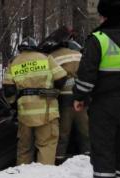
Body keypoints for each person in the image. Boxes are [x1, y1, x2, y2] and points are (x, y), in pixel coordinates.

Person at [73, 0, 120, 178]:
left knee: (103, 152)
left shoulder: (99, 39)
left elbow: (86, 75)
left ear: (104, 15)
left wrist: (80, 97)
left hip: (103, 105)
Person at [2, 36, 67, 165]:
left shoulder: (14, 62)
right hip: (47, 110)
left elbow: (8, 90)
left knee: (25, 148)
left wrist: (14, 104)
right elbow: (61, 78)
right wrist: (54, 91)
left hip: (25, 113)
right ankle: (43, 177)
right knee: (46, 145)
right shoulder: (46, 58)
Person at [39, 26, 90, 165]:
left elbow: (50, 79)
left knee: (63, 132)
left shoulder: (52, 56)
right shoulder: (79, 55)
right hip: (81, 95)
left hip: (64, 98)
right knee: (84, 130)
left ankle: (59, 159)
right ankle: (87, 157)